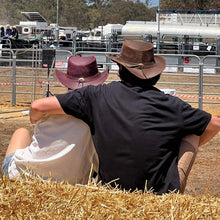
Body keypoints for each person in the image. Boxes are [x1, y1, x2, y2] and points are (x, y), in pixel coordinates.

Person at [13, 40, 220, 195]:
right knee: (192, 133)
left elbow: (38, 106)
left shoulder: (97, 96)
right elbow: (214, 124)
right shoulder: (172, 105)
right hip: (160, 194)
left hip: (112, 191)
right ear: (156, 74)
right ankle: (174, 188)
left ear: (120, 69)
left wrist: (34, 121)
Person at [1, 56, 109, 185]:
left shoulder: (49, 107)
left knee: (22, 132)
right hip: (71, 182)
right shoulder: (98, 115)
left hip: (24, 175)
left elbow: (34, 113)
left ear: (66, 82)